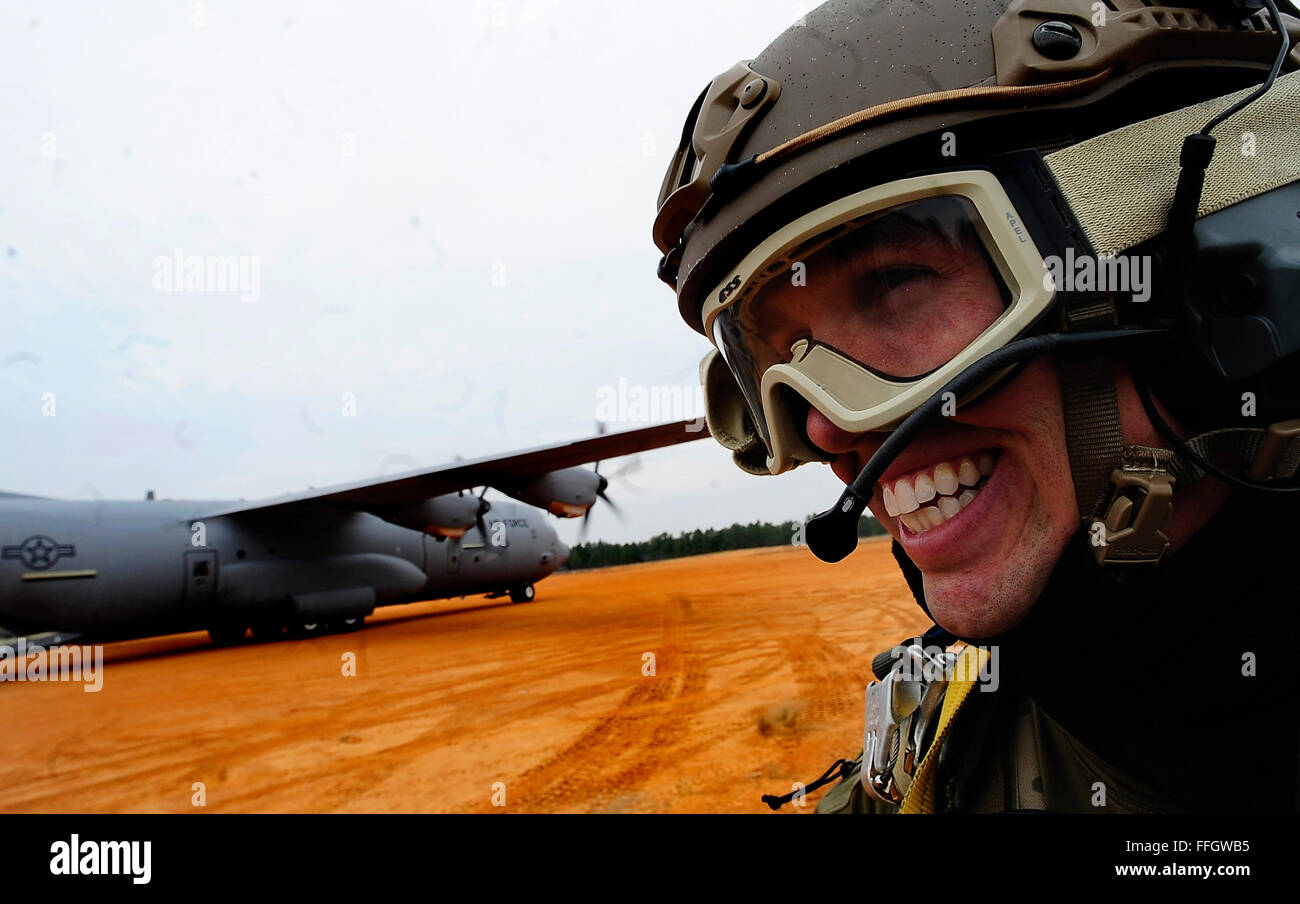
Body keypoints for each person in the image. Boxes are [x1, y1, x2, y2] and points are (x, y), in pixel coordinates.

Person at [652, 0, 1300, 812]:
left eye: (893, 283)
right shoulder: (937, 756)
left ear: (1226, 277)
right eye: (774, 362)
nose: (823, 425)